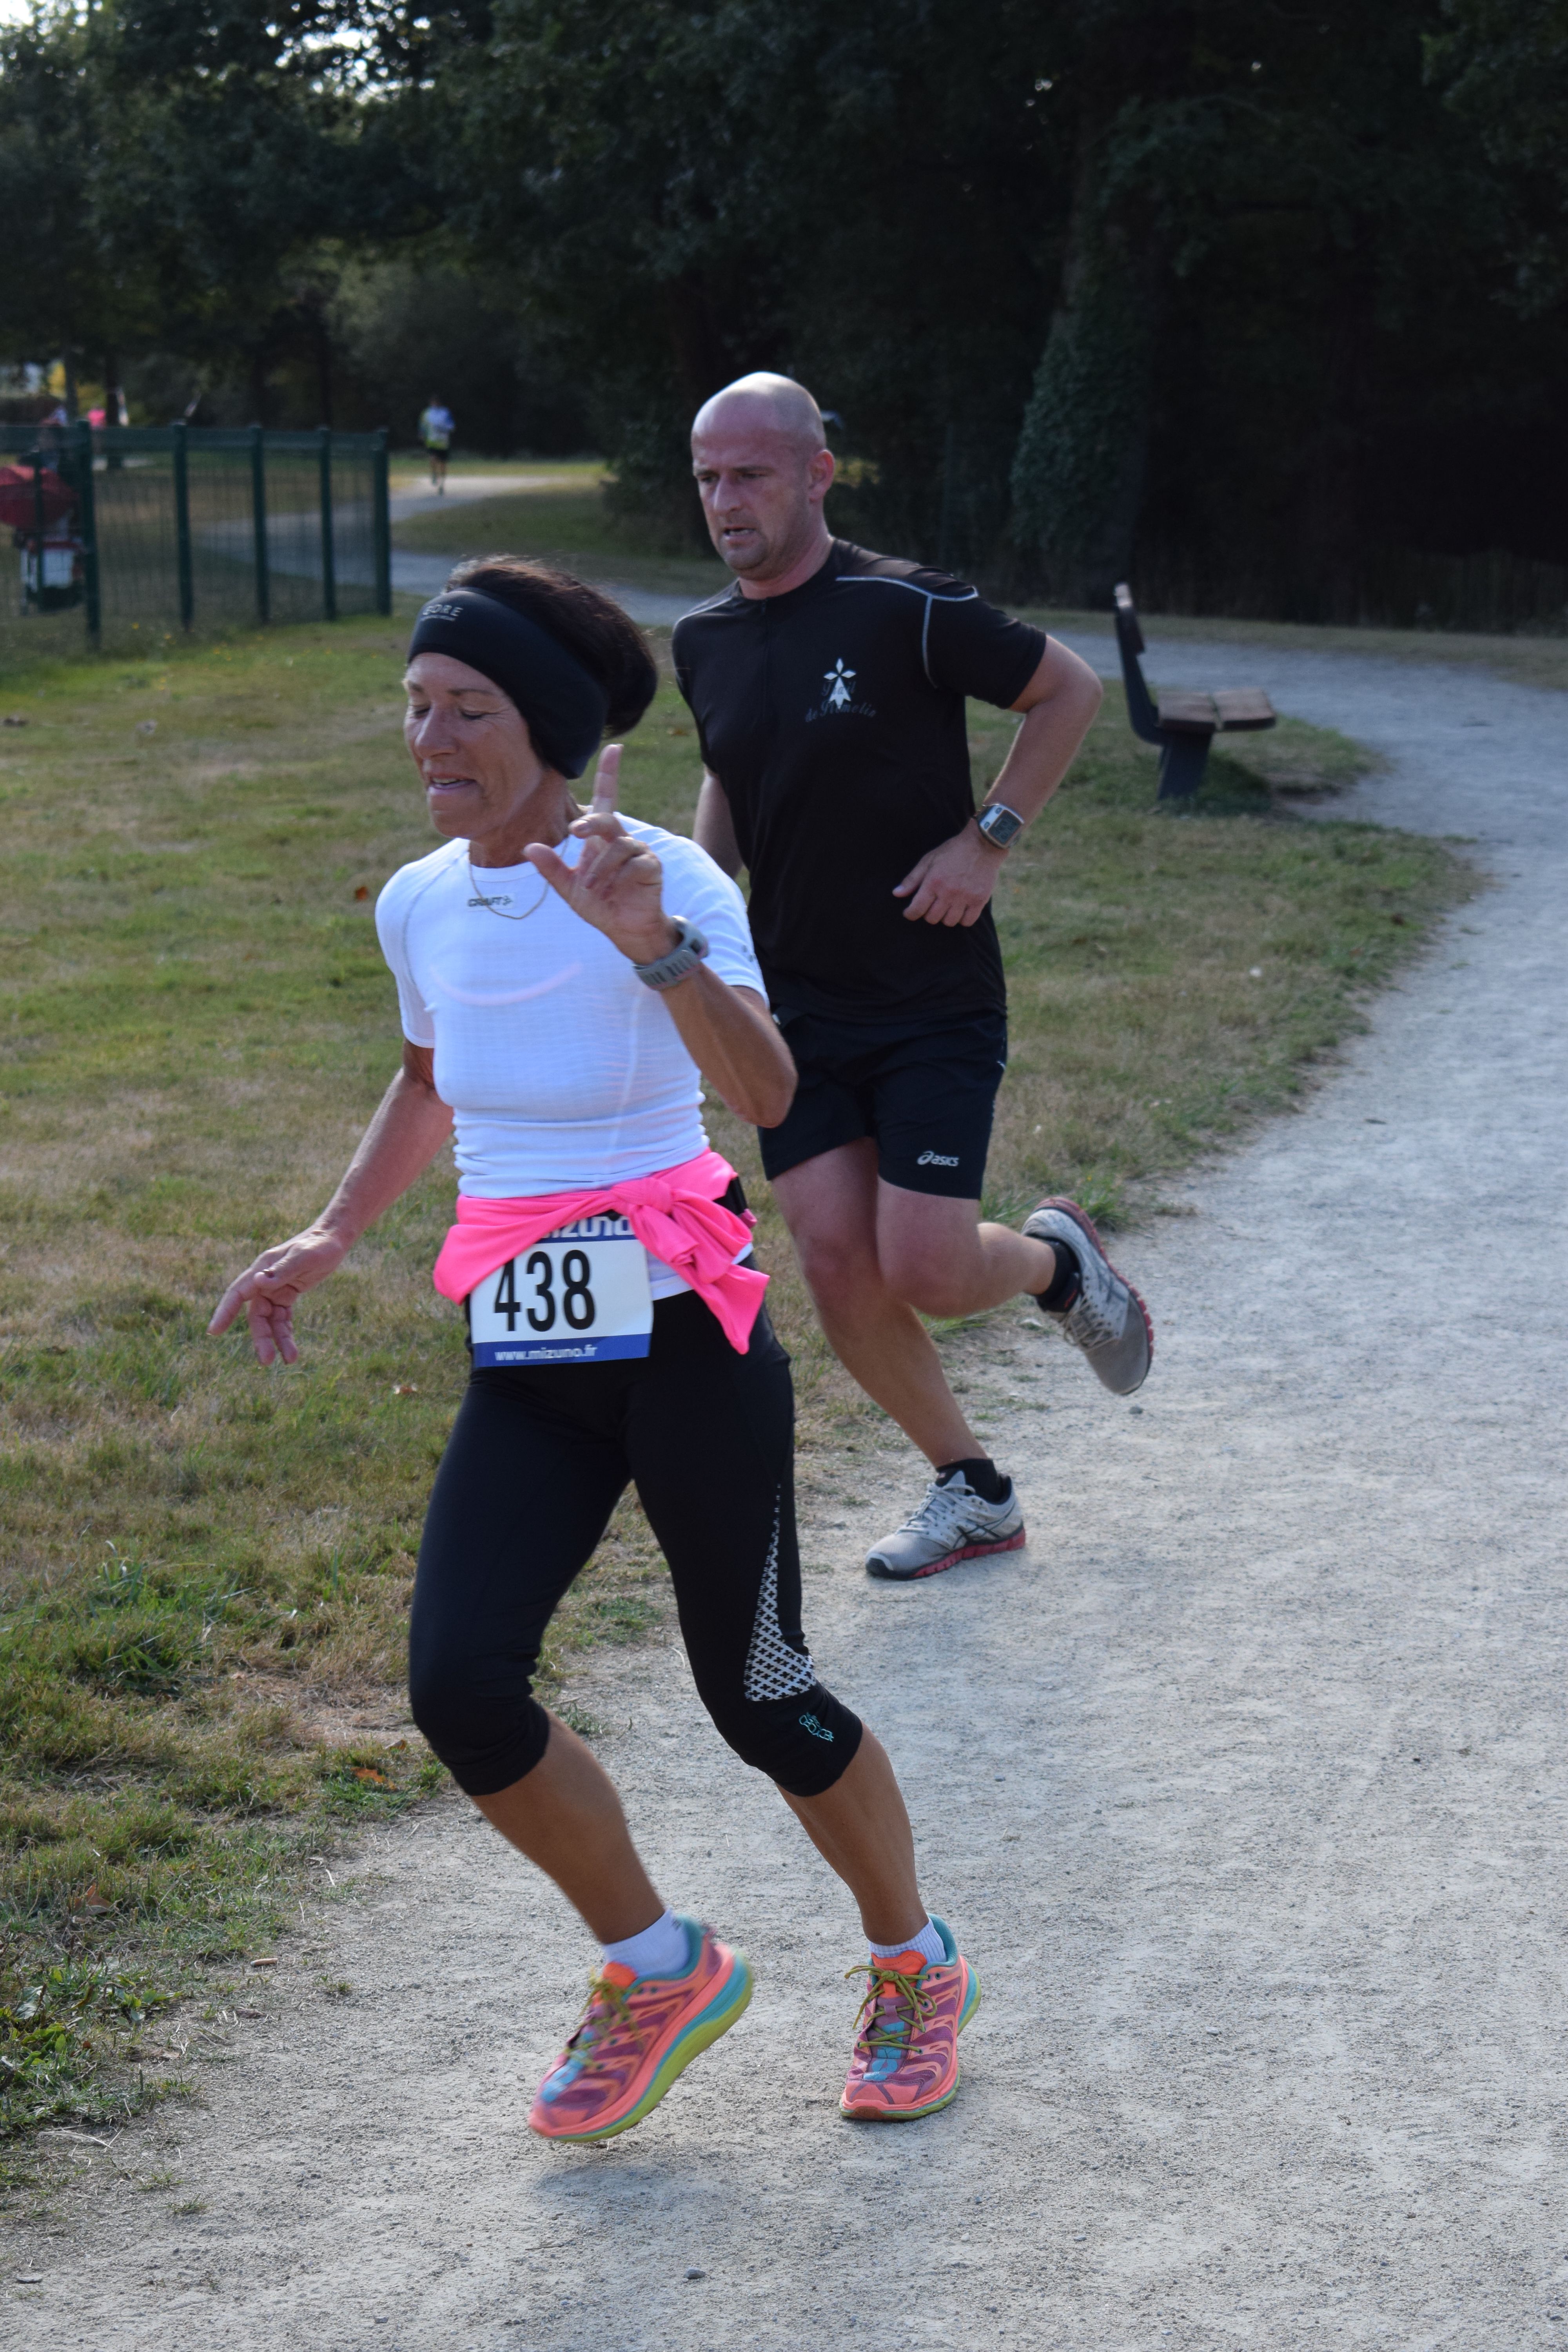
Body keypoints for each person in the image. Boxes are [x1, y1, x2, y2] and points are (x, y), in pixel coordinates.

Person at [208, 559, 980, 2137]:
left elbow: (769, 1097)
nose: (430, 739)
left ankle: (914, 1961)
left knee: (759, 1691)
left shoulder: (665, 881)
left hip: (687, 1337)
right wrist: (333, 1231)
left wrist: (654, 946)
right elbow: (430, 1075)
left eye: (468, 710)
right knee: (460, 1688)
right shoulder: (418, 901)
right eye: (416, 707)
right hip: (526, 1356)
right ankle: (657, 1965)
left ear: (550, 730)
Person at [673, 374, 1154, 1583]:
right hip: (794, 1006)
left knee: (929, 1267)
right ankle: (972, 1489)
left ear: (816, 475)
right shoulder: (701, 639)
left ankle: (1056, 1262)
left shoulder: (905, 606)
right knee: (837, 1260)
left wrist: (987, 841)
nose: (725, 502)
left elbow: (1069, 689)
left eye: (750, 476)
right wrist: (700, 899)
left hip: (929, 992)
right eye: (708, 479)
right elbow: (733, 769)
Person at [418, 395, 454, 492]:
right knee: (433, 458)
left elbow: (452, 426)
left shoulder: (445, 412)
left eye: (436, 402)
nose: (435, 404)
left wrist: (445, 429)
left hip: (443, 442)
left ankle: (442, 484)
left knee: (443, 464)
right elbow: (422, 424)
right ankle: (434, 474)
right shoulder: (427, 413)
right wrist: (422, 434)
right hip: (432, 441)